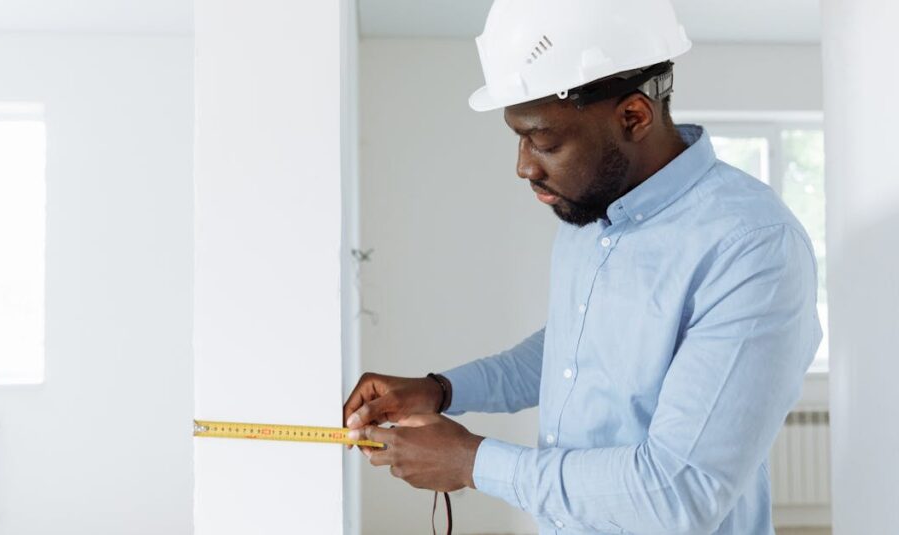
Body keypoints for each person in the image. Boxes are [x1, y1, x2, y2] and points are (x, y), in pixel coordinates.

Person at [342, 0, 822, 533]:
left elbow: (681, 490)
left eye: (543, 141)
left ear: (633, 116)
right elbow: (572, 351)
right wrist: (443, 390)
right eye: (518, 138)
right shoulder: (593, 214)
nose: (524, 166)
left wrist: (471, 461)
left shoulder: (751, 246)